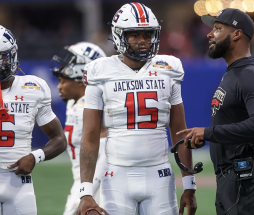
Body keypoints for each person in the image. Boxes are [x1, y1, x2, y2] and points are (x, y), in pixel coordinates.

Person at [76, 3, 197, 215]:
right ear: (119, 36)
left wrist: (189, 185)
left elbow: (180, 132)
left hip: (159, 174)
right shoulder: (100, 71)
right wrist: (86, 191)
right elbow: (90, 136)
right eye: (135, 35)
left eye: (147, 34)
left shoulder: (168, 69)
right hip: (117, 176)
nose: (143, 41)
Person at [177, 9, 254, 215]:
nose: (209, 34)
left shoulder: (250, 74)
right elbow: (237, 124)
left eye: (217, 28)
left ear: (237, 34)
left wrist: (208, 133)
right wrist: (209, 138)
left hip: (249, 178)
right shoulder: (235, 72)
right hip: (235, 178)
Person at [0, 25, 67, 215]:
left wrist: (34, 157)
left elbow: (59, 139)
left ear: (12, 55)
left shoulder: (32, 88)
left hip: (19, 185)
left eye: (2, 56)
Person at [50, 42, 107, 215]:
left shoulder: (90, 107)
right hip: (82, 183)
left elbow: (106, 151)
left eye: (72, 62)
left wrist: (85, 192)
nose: (59, 85)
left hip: (97, 186)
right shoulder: (75, 102)